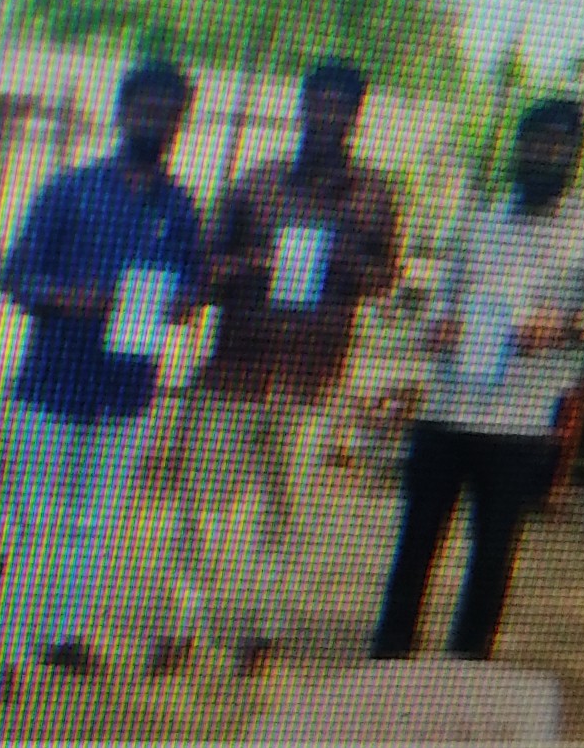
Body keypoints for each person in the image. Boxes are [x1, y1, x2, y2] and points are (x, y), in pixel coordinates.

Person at [152, 58, 400, 676]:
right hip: (234, 373)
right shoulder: (256, 183)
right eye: (317, 103)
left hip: (313, 380)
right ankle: (181, 626)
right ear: (301, 107)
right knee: (201, 506)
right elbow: (206, 269)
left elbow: (386, 279)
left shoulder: (374, 195)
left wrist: (340, 263)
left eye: (340, 106)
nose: (326, 116)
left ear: (357, 115)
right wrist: (253, 266)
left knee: (288, 511)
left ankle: (263, 633)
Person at [371, 97, 584, 662]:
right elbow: (442, 297)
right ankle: (391, 647)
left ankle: (468, 658)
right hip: (447, 408)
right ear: (519, 146)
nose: (543, 153)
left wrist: (565, 324)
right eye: (534, 141)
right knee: (417, 537)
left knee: (493, 548)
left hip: (521, 419)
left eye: (558, 144)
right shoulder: (480, 219)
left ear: (576, 154)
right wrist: (437, 325)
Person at [0, 60, 205, 675]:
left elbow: (192, 285)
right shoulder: (70, 189)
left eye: (170, 114)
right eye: (146, 109)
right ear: (121, 111)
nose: (156, 122)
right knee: (34, 519)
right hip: (51, 387)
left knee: (96, 524)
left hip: (127, 393)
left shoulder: (181, 207)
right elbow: (14, 276)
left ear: (182, 124)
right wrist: (71, 298)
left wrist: (184, 304)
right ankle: (3, 647)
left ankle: (61, 634)